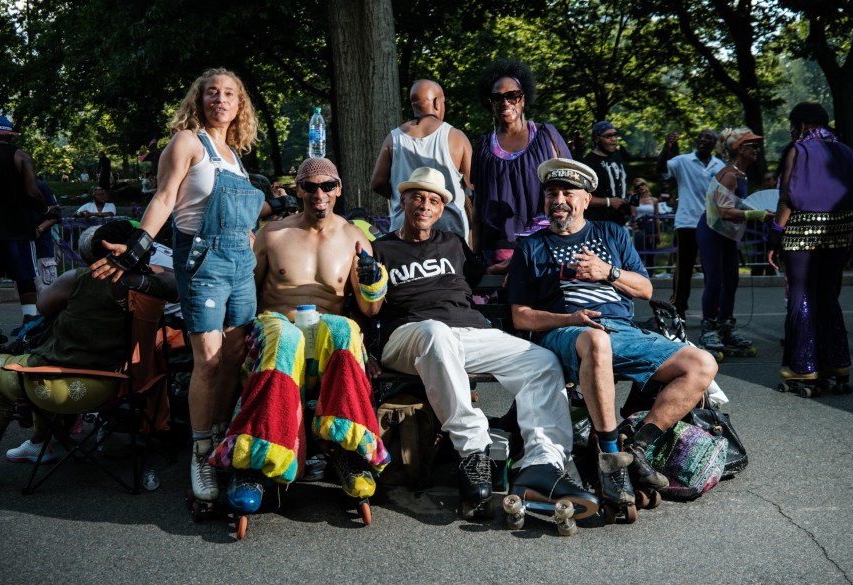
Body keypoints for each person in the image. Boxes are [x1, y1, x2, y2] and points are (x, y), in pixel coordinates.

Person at [370, 166, 599, 520]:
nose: (425, 206)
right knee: (435, 332)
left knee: (542, 363)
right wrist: (363, 350)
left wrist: (524, 262)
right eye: (417, 197)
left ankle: (543, 463)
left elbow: (488, 273)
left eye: (433, 200)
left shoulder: (451, 243)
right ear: (403, 201)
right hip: (411, 337)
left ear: (441, 208)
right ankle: (473, 452)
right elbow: (363, 306)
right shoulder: (380, 249)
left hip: (469, 332)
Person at [90, 68, 263, 510]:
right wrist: (137, 247)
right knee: (206, 361)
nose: (220, 100)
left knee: (232, 359)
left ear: (239, 105)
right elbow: (165, 199)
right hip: (202, 263)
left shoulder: (235, 155)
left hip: (241, 267)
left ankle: (222, 434)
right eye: (211, 93)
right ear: (199, 99)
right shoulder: (188, 142)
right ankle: (202, 453)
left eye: (229, 94)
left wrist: (250, 239)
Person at [505, 158, 717, 513]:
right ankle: (609, 457)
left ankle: (635, 448)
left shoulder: (612, 234)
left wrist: (608, 271)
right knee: (596, 339)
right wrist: (568, 317)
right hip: (568, 332)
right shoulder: (531, 247)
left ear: (586, 199)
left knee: (701, 362)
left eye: (568, 193)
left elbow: (646, 289)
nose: (559, 200)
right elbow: (520, 315)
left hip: (623, 331)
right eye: (552, 193)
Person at [210, 156, 389, 514]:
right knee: (284, 340)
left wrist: (372, 280)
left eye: (326, 186)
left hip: (326, 334)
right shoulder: (273, 234)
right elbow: (248, 293)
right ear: (298, 191)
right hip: (276, 326)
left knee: (344, 329)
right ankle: (254, 461)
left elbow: (371, 310)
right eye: (310, 187)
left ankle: (348, 451)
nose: (318, 194)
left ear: (338, 189)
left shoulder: (354, 238)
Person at [0, 220, 176, 488]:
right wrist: (140, 271)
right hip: (117, 386)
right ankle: (42, 442)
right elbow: (174, 278)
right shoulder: (155, 285)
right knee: (37, 372)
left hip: (54, 387)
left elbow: (42, 307)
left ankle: (34, 445)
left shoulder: (76, 279)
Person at [767, 102, 853, 387]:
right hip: (841, 230)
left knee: (801, 293)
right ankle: (837, 363)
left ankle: (803, 365)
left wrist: (775, 237)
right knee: (827, 294)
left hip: (802, 229)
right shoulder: (847, 152)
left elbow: (786, 197)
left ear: (799, 125)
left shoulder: (799, 150)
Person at [471, 58, 570, 270]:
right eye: (497, 97)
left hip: (546, 243)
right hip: (498, 247)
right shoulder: (483, 147)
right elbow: (478, 205)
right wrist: (475, 254)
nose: (505, 102)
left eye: (512, 95)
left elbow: (571, 192)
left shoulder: (547, 137)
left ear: (523, 99)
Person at [696, 128, 771, 354]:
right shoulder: (729, 174)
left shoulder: (741, 174)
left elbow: (737, 205)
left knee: (732, 280)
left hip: (726, 233)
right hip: (711, 230)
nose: (757, 150)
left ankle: (726, 325)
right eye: (752, 146)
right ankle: (709, 327)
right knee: (715, 281)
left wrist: (760, 210)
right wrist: (758, 215)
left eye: (757, 146)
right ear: (739, 149)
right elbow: (726, 211)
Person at [371, 79, 473, 243]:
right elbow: (473, 183)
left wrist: (403, 197)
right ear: (437, 103)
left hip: (404, 231)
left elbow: (377, 183)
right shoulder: (456, 137)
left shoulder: (393, 138)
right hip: (450, 234)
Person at [0, 114, 58, 347]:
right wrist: (46, 209)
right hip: (17, 228)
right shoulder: (21, 156)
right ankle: (30, 321)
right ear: (9, 134)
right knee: (25, 277)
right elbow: (31, 191)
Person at [657, 129, 723, 320]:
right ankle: (678, 307)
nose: (703, 140)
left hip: (711, 224)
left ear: (714, 144)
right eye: (701, 137)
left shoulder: (719, 166)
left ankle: (712, 310)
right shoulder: (683, 161)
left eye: (708, 138)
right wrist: (666, 148)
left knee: (711, 269)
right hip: (687, 222)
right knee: (684, 269)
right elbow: (661, 171)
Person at [582, 121, 630, 226]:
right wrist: (609, 202)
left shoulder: (617, 157)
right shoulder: (588, 162)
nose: (614, 139)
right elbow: (581, 196)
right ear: (597, 139)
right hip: (597, 223)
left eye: (615, 135)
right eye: (608, 136)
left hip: (620, 223)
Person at [33, 179, 61, 296]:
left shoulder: (40, 185)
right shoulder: (9, 184)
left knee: (47, 291)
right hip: (21, 249)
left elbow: (56, 214)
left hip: (43, 248)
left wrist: (39, 229)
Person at [630, 178, 661, 272]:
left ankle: (651, 272)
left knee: (651, 250)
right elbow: (633, 215)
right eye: (638, 186)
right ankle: (640, 271)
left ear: (646, 185)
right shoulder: (635, 199)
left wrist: (659, 232)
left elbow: (657, 217)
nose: (641, 187)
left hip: (651, 226)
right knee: (639, 249)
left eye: (642, 184)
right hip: (639, 226)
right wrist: (635, 228)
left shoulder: (654, 200)